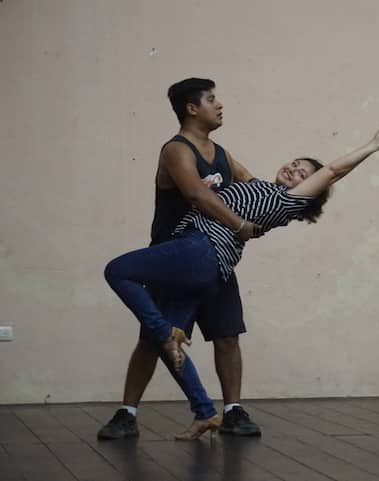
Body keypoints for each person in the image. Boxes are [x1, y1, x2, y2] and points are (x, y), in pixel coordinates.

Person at [105, 124, 379, 439]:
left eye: (302, 174)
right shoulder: (258, 187)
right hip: (197, 259)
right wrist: (199, 141)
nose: (293, 169)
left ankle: (220, 401)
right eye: (294, 163)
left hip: (200, 252)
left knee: (120, 274)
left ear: (309, 190)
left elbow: (332, 172)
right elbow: (231, 163)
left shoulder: (288, 200)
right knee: (168, 344)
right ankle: (204, 412)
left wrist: (372, 146)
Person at [97, 78, 263, 440]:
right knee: (153, 341)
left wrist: (299, 194)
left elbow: (255, 187)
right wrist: (240, 225)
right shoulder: (177, 150)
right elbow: (197, 195)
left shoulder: (222, 154)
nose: (219, 105)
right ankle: (127, 414)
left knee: (227, 335)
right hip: (175, 260)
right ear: (192, 109)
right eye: (211, 100)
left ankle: (232, 411)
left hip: (215, 257)